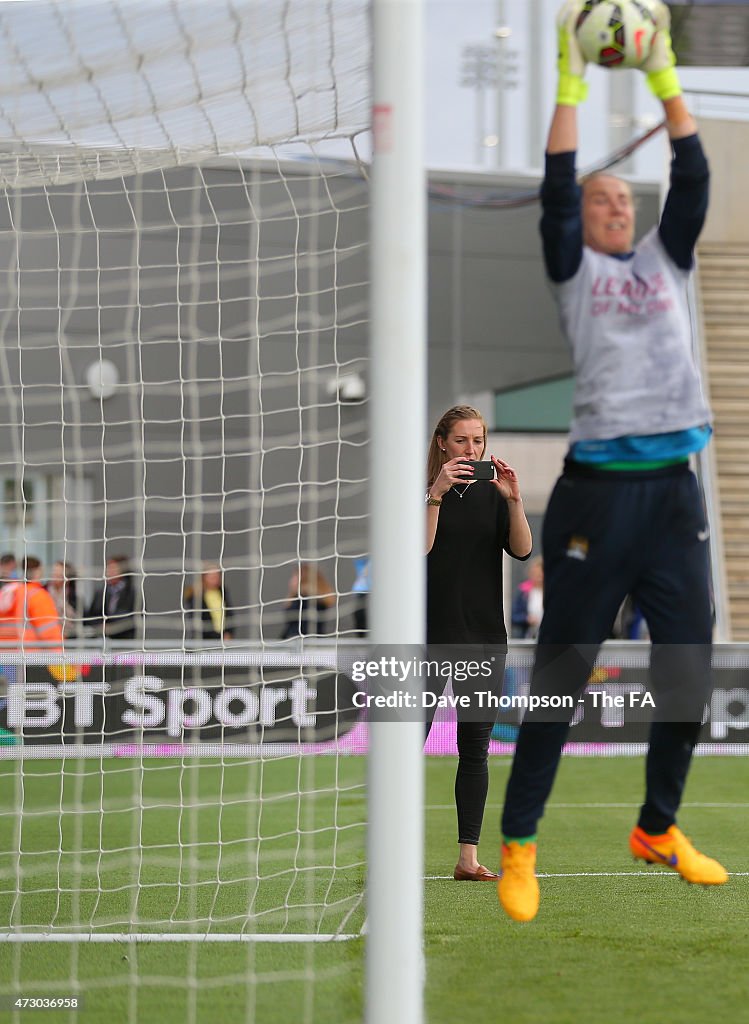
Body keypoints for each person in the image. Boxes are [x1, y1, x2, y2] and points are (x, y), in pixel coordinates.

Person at [497, 0, 728, 924]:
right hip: (596, 494)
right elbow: (556, 182)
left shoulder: (666, 261)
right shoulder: (573, 271)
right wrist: (571, 77)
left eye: (620, 199)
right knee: (560, 675)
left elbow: (694, 171)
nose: (610, 204)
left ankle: (656, 827)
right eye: (598, 199)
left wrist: (663, 72)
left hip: (675, 493)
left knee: (686, 672)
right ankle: (518, 846)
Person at [425, 405, 532, 881]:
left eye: (479, 442)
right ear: (443, 443)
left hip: (485, 638)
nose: (473, 450)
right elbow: (418, 549)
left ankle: (468, 859)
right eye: (463, 441)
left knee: (475, 748)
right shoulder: (423, 493)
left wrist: (513, 500)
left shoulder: (494, 494)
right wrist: (436, 495)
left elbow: (523, 549)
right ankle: (392, 852)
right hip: (426, 638)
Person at [84, 554, 137, 641]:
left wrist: (113, 627)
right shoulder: (100, 593)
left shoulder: (132, 594)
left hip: (124, 643)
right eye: (108, 568)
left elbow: (135, 618)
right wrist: (100, 626)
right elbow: (91, 616)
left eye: (112, 568)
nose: (108, 571)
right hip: (101, 642)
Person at [281, 563, 336, 638]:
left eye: (295, 576)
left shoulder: (304, 600)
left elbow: (300, 627)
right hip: (310, 640)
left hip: (302, 642)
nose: (291, 580)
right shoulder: (317, 599)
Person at [184, 562, 234, 642]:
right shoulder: (196, 595)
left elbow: (230, 615)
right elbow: (198, 621)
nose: (215, 578)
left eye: (216, 575)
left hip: (224, 641)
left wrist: (228, 633)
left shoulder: (223, 592)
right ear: (204, 577)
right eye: (211, 576)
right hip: (204, 642)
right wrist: (218, 637)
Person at [511, 557, 544, 639]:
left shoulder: (552, 591)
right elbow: (514, 617)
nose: (538, 577)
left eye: (540, 574)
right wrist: (527, 619)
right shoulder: (523, 592)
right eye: (535, 574)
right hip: (528, 636)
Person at [46, 560, 80, 639]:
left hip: (69, 637)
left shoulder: (73, 597)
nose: (54, 575)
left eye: (58, 573)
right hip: (48, 636)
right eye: (54, 571)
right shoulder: (43, 592)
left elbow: (77, 617)